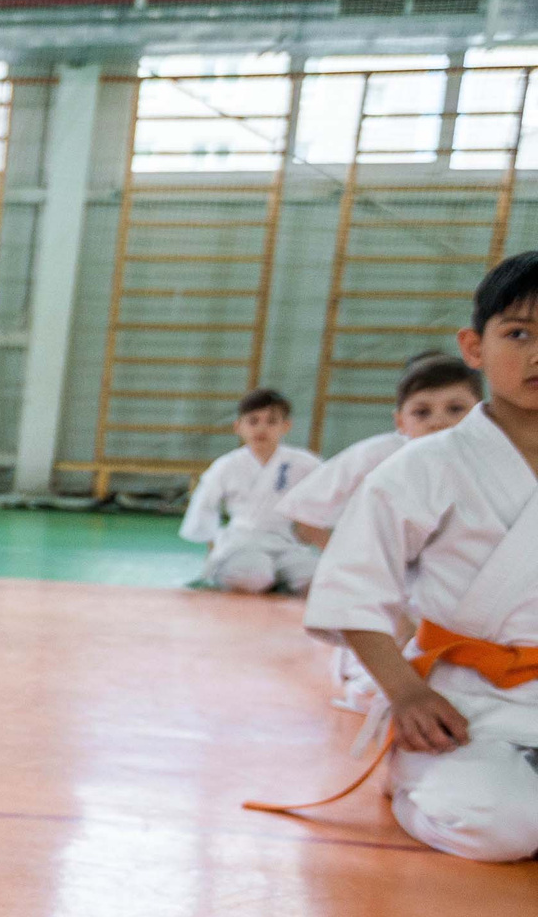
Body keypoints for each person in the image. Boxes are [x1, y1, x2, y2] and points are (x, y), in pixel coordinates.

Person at [303, 253, 538, 863]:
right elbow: (352, 589)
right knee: (496, 823)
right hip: (461, 701)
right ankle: (414, 785)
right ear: (474, 347)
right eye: (520, 333)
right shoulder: (422, 467)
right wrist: (405, 694)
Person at [281, 355, 482, 709]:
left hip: (461, 606)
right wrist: (359, 564)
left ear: (483, 413)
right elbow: (305, 517)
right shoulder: (377, 455)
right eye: (423, 413)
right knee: (381, 693)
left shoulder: (497, 462)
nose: (440, 422)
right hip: (387, 601)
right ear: (400, 422)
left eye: (456, 409)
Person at [181, 387, 322, 594]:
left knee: (318, 580)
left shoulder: (305, 463)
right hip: (241, 542)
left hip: (285, 542)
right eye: (253, 421)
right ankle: (257, 579)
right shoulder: (226, 465)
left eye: (272, 421)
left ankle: (280, 580)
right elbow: (204, 508)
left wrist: (315, 533)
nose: (262, 428)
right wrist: (213, 553)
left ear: (286, 426)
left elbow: (328, 496)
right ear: (238, 426)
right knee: (254, 578)